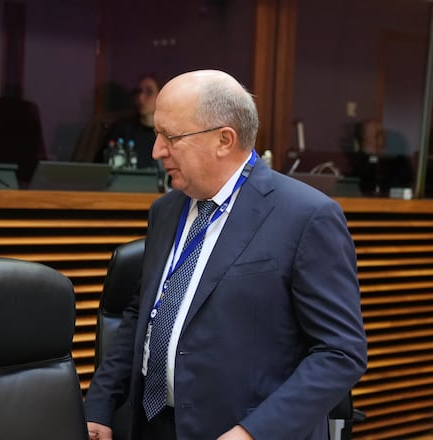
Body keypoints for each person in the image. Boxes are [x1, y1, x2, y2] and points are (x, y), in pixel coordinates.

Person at [85, 70, 367, 439]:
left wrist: (252, 433)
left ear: (224, 140)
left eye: (170, 136)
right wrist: (101, 405)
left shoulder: (306, 216)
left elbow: (340, 352)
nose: (156, 151)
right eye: (156, 135)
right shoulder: (166, 210)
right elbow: (141, 313)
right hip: (153, 425)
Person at [99, 74, 160, 169]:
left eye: (149, 92)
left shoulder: (168, 133)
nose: (141, 97)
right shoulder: (122, 128)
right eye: (138, 92)